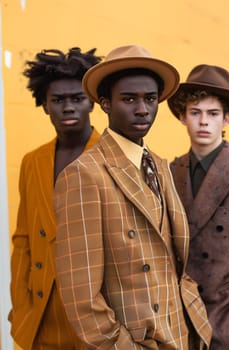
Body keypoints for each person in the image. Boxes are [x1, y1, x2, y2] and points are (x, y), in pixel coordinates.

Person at [54, 44, 212, 350]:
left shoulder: (161, 167)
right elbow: (81, 297)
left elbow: (176, 265)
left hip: (185, 335)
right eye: (129, 99)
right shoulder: (84, 175)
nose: (142, 109)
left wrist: (197, 323)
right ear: (105, 104)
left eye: (150, 99)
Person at [9, 47, 102, 350]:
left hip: (98, 320)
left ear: (92, 102)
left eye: (77, 99)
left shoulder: (113, 157)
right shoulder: (32, 162)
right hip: (42, 314)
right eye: (58, 100)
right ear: (45, 105)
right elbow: (23, 239)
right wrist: (21, 306)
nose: (68, 108)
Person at [168, 64, 229, 350]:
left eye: (213, 114)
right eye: (195, 113)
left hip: (225, 319)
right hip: (176, 320)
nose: (204, 122)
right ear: (183, 117)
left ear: (226, 119)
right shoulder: (170, 173)